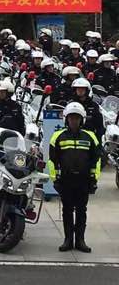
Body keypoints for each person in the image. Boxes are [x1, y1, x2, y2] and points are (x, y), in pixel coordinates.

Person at [48, 102, 101, 253]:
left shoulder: (90, 137)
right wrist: (55, 179)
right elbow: (52, 160)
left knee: (81, 211)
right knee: (67, 210)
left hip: (84, 180)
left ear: (82, 119)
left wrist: (94, 179)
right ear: (66, 119)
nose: (74, 121)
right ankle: (68, 240)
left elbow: (96, 160)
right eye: (71, 118)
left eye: (77, 118)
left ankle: (80, 241)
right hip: (66, 180)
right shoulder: (58, 136)